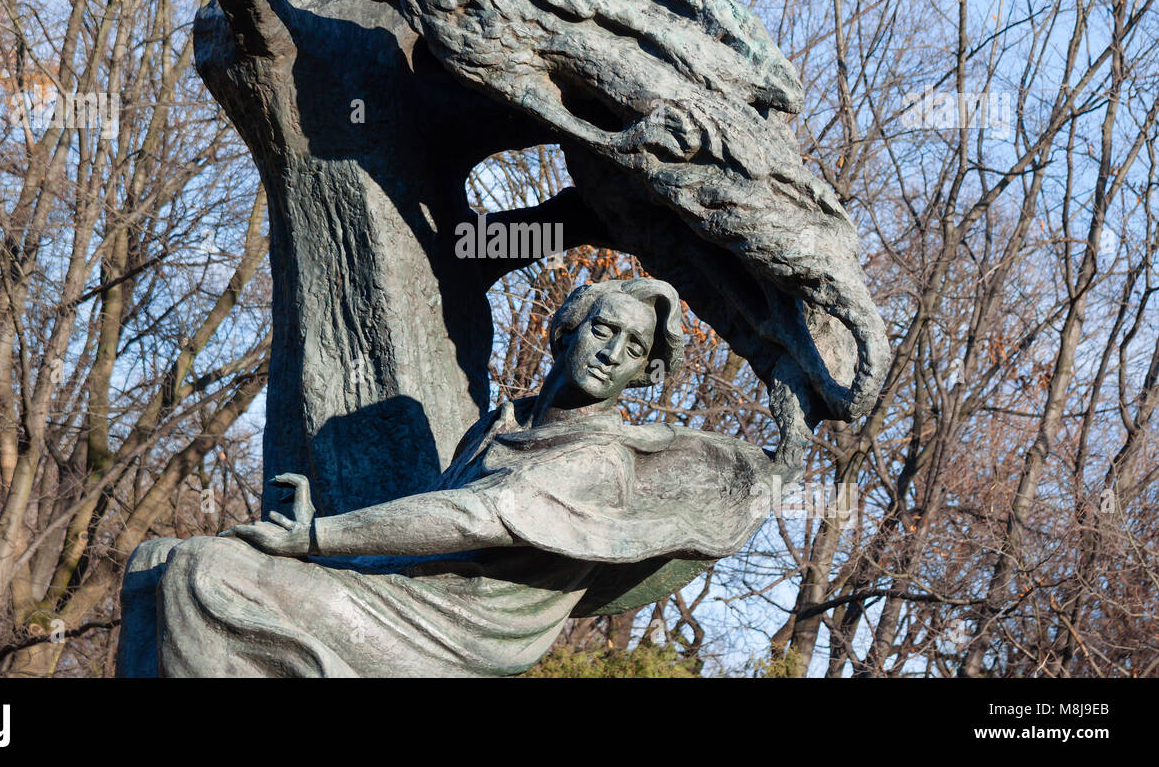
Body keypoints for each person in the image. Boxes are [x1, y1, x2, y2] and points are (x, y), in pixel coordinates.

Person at [117, 278, 780, 677]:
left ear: (642, 375)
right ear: (569, 330)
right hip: (409, 592)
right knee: (154, 560)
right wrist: (335, 546)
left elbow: (469, 518)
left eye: (634, 351)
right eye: (605, 330)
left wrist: (316, 537)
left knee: (203, 569)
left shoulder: (598, 462)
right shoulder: (504, 422)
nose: (612, 355)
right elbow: (430, 526)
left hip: (454, 632)